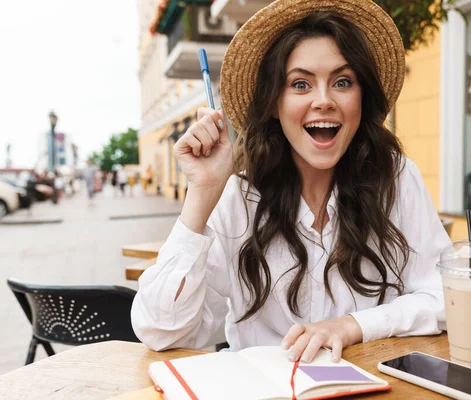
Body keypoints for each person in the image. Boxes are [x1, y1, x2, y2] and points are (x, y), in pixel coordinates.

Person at [132, 0, 450, 364]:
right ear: (273, 103)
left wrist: (351, 326)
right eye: (300, 84)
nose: (324, 100)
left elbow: (446, 297)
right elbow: (160, 332)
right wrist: (202, 192)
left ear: (362, 97)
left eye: (343, 82)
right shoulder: (237, 197)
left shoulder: (395, 177)